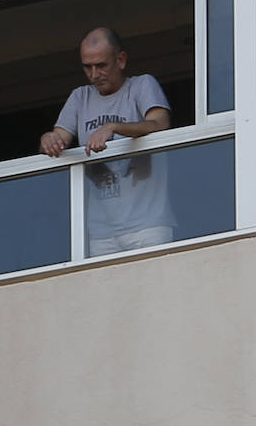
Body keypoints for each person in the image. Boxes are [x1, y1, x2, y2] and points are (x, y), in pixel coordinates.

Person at [39, 26, 174, 256]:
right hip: (101, 231)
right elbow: (56, 139)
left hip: (148, 224)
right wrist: (47, 139)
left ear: (120, 60)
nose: (94, 74)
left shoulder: (142, 85)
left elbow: (160, 124)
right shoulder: (80, 97)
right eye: (87, 67)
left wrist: (113, 128)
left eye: (101, 65)